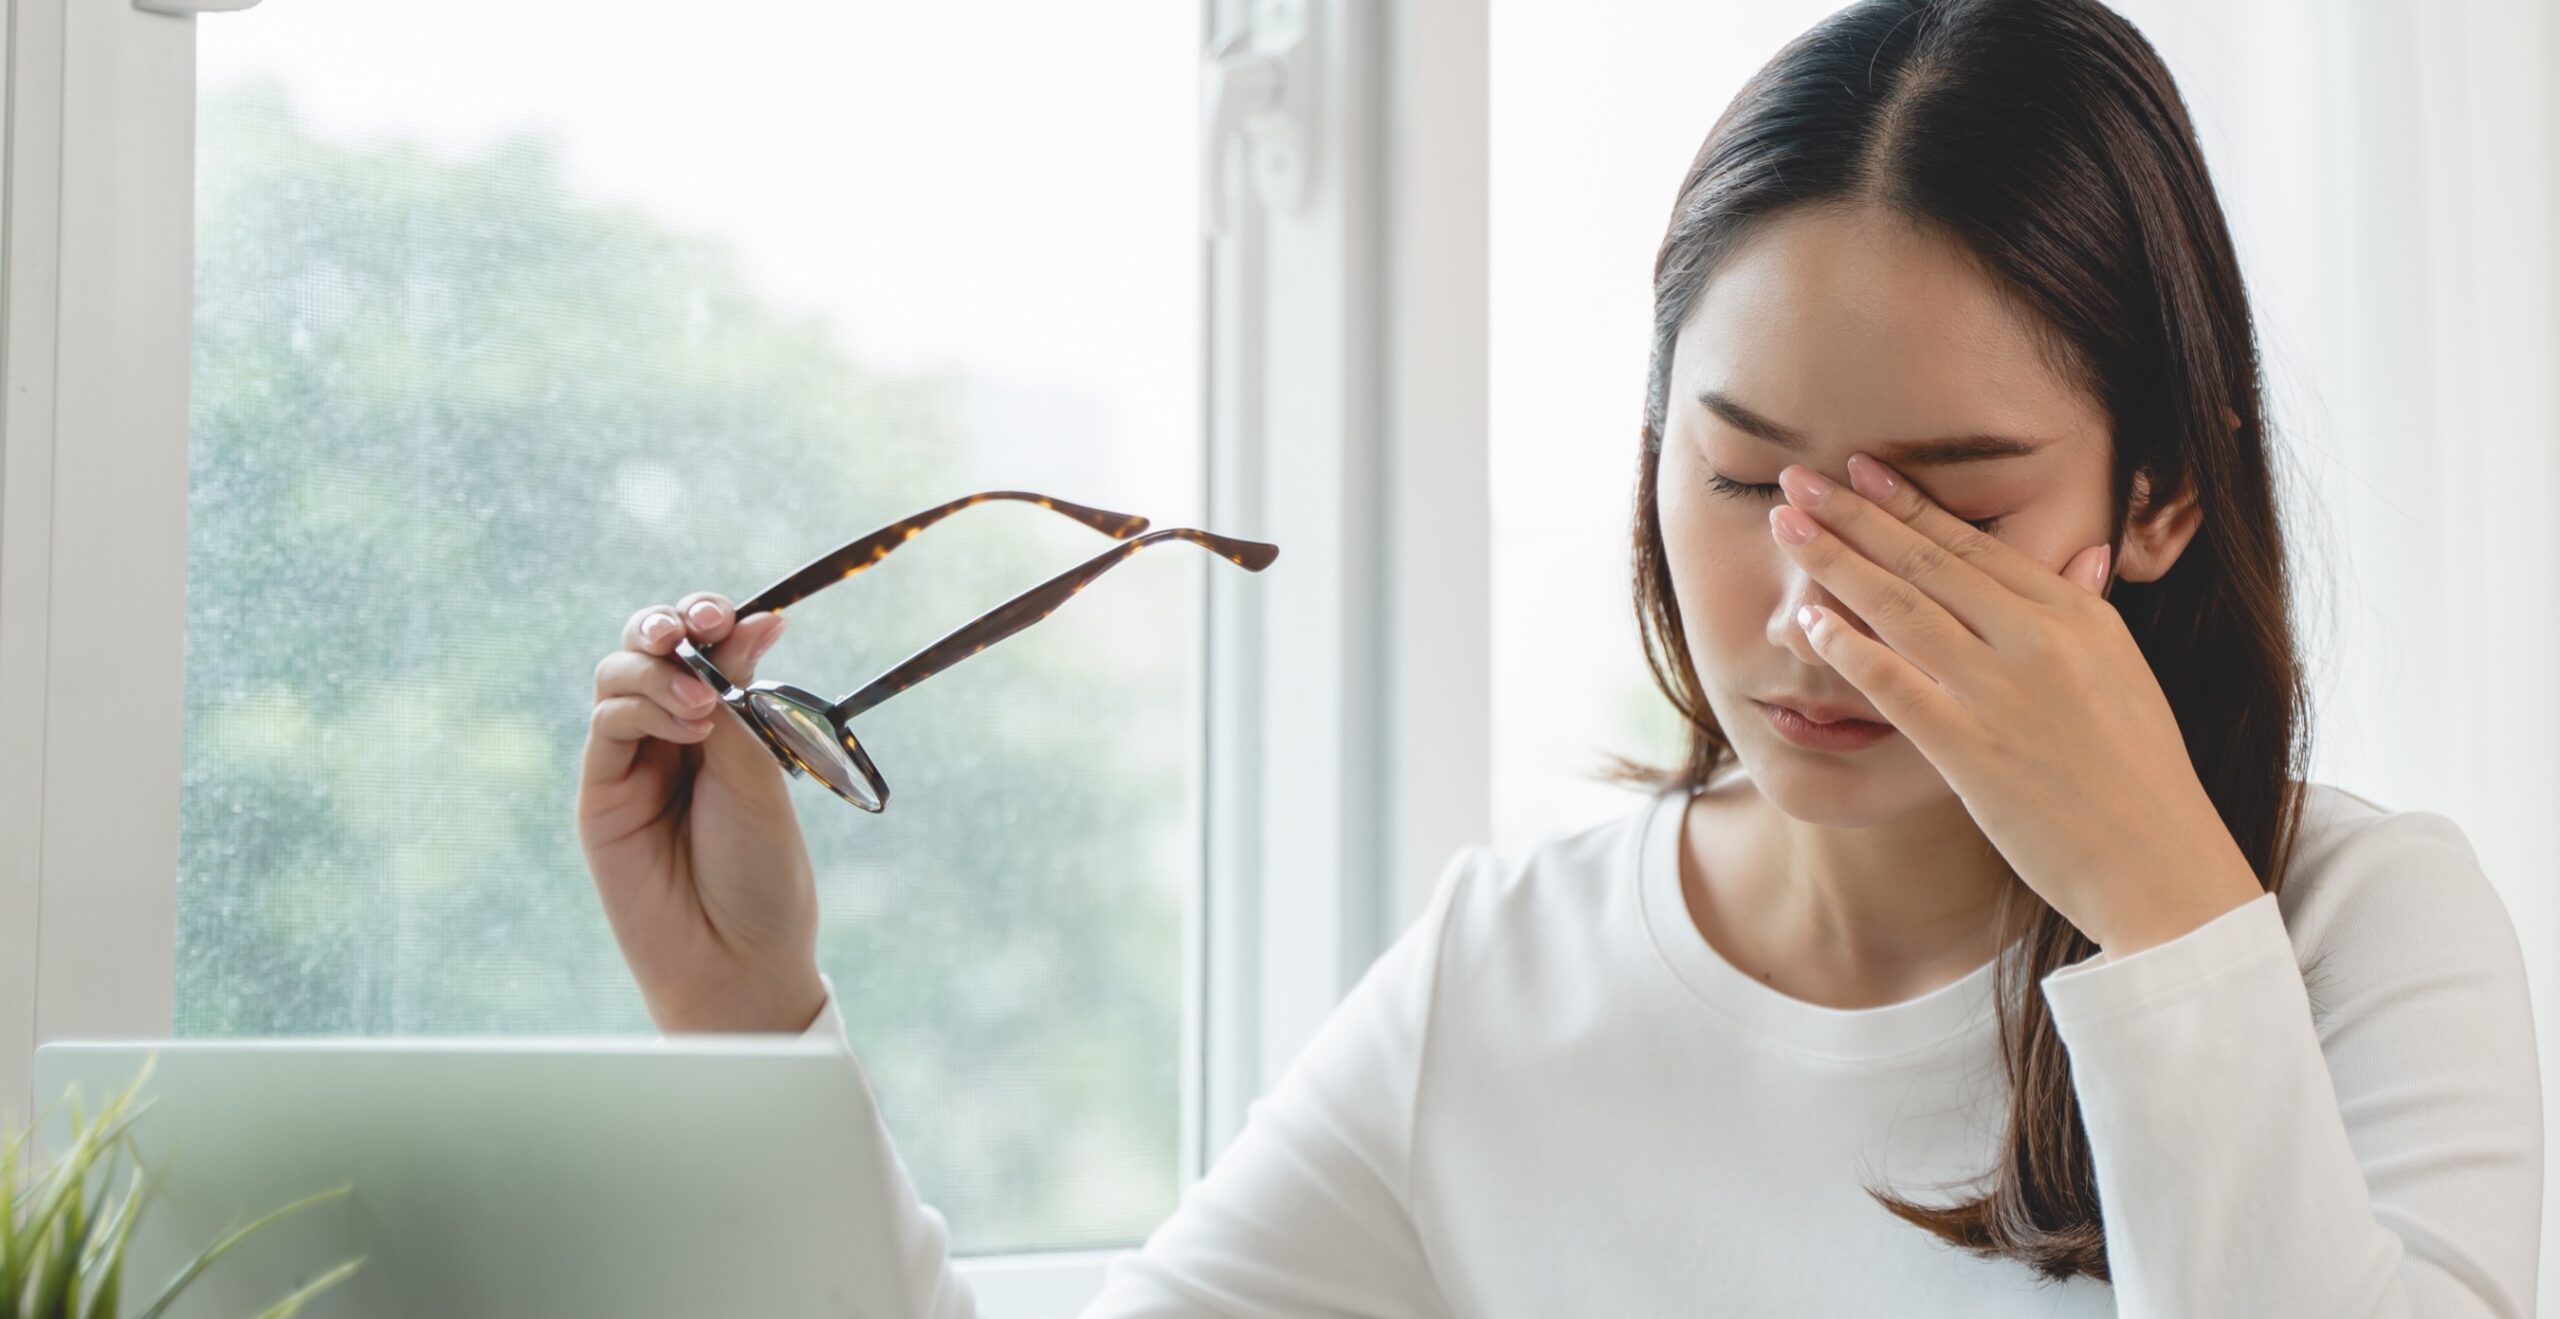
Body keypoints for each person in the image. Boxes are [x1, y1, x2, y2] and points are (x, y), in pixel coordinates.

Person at [575, 0, 2543, 1312]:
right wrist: (753, 1026)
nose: (1806, 607)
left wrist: (2159, 918)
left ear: (2161, 499)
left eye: (1943, 503)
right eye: (1744, 471)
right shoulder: (1505, 979)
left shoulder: (2358, 934)